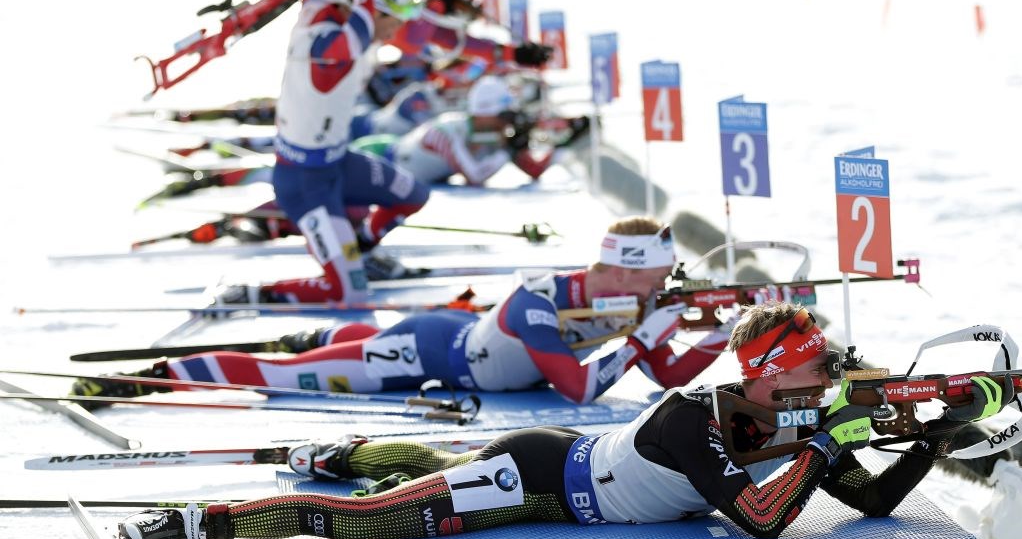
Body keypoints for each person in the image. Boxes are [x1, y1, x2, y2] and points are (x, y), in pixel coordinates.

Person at [111, 301, 1013, 539]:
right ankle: (197, 520)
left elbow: (867, 499)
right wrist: (828, 441)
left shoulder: (795, 416)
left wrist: (929, 433)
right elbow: (765, 520)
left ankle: (343, 454)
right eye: (821, 370)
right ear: (771, 377)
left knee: (421, 466)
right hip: (536, 478)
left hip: (564, 463)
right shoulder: (688, 418)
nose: (833, 379)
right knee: (372, 518)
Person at [73, 217, 727, 406]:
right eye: (650, 278)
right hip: (423, 354)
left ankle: (335, 334)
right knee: (284, 375)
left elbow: (667, 375)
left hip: (450, 336)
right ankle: (153, 374)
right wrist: (647, 334)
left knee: (345, 342)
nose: (656, 288)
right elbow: (582, 388)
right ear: (614, 267)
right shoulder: (540, 302)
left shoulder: (623, 296)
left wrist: (717, 333)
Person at [216, 0, 434, 305]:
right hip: (303, 182)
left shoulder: (327, 1)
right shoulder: (332, 36)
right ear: (375, 12)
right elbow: (338, 59)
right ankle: (252, 293)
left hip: (337, 163)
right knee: (348, 293)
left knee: (414, 194)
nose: (392, 37)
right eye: (392, 23)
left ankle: (360, 250)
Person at [356, 74, 587, 187]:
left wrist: (561, 145)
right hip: (374, 157)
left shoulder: (492, 134)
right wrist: (506, 151)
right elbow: (475, 176)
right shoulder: (447, 131)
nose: (507, 122)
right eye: (503, 115)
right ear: (485, 113)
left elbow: (532, 170)